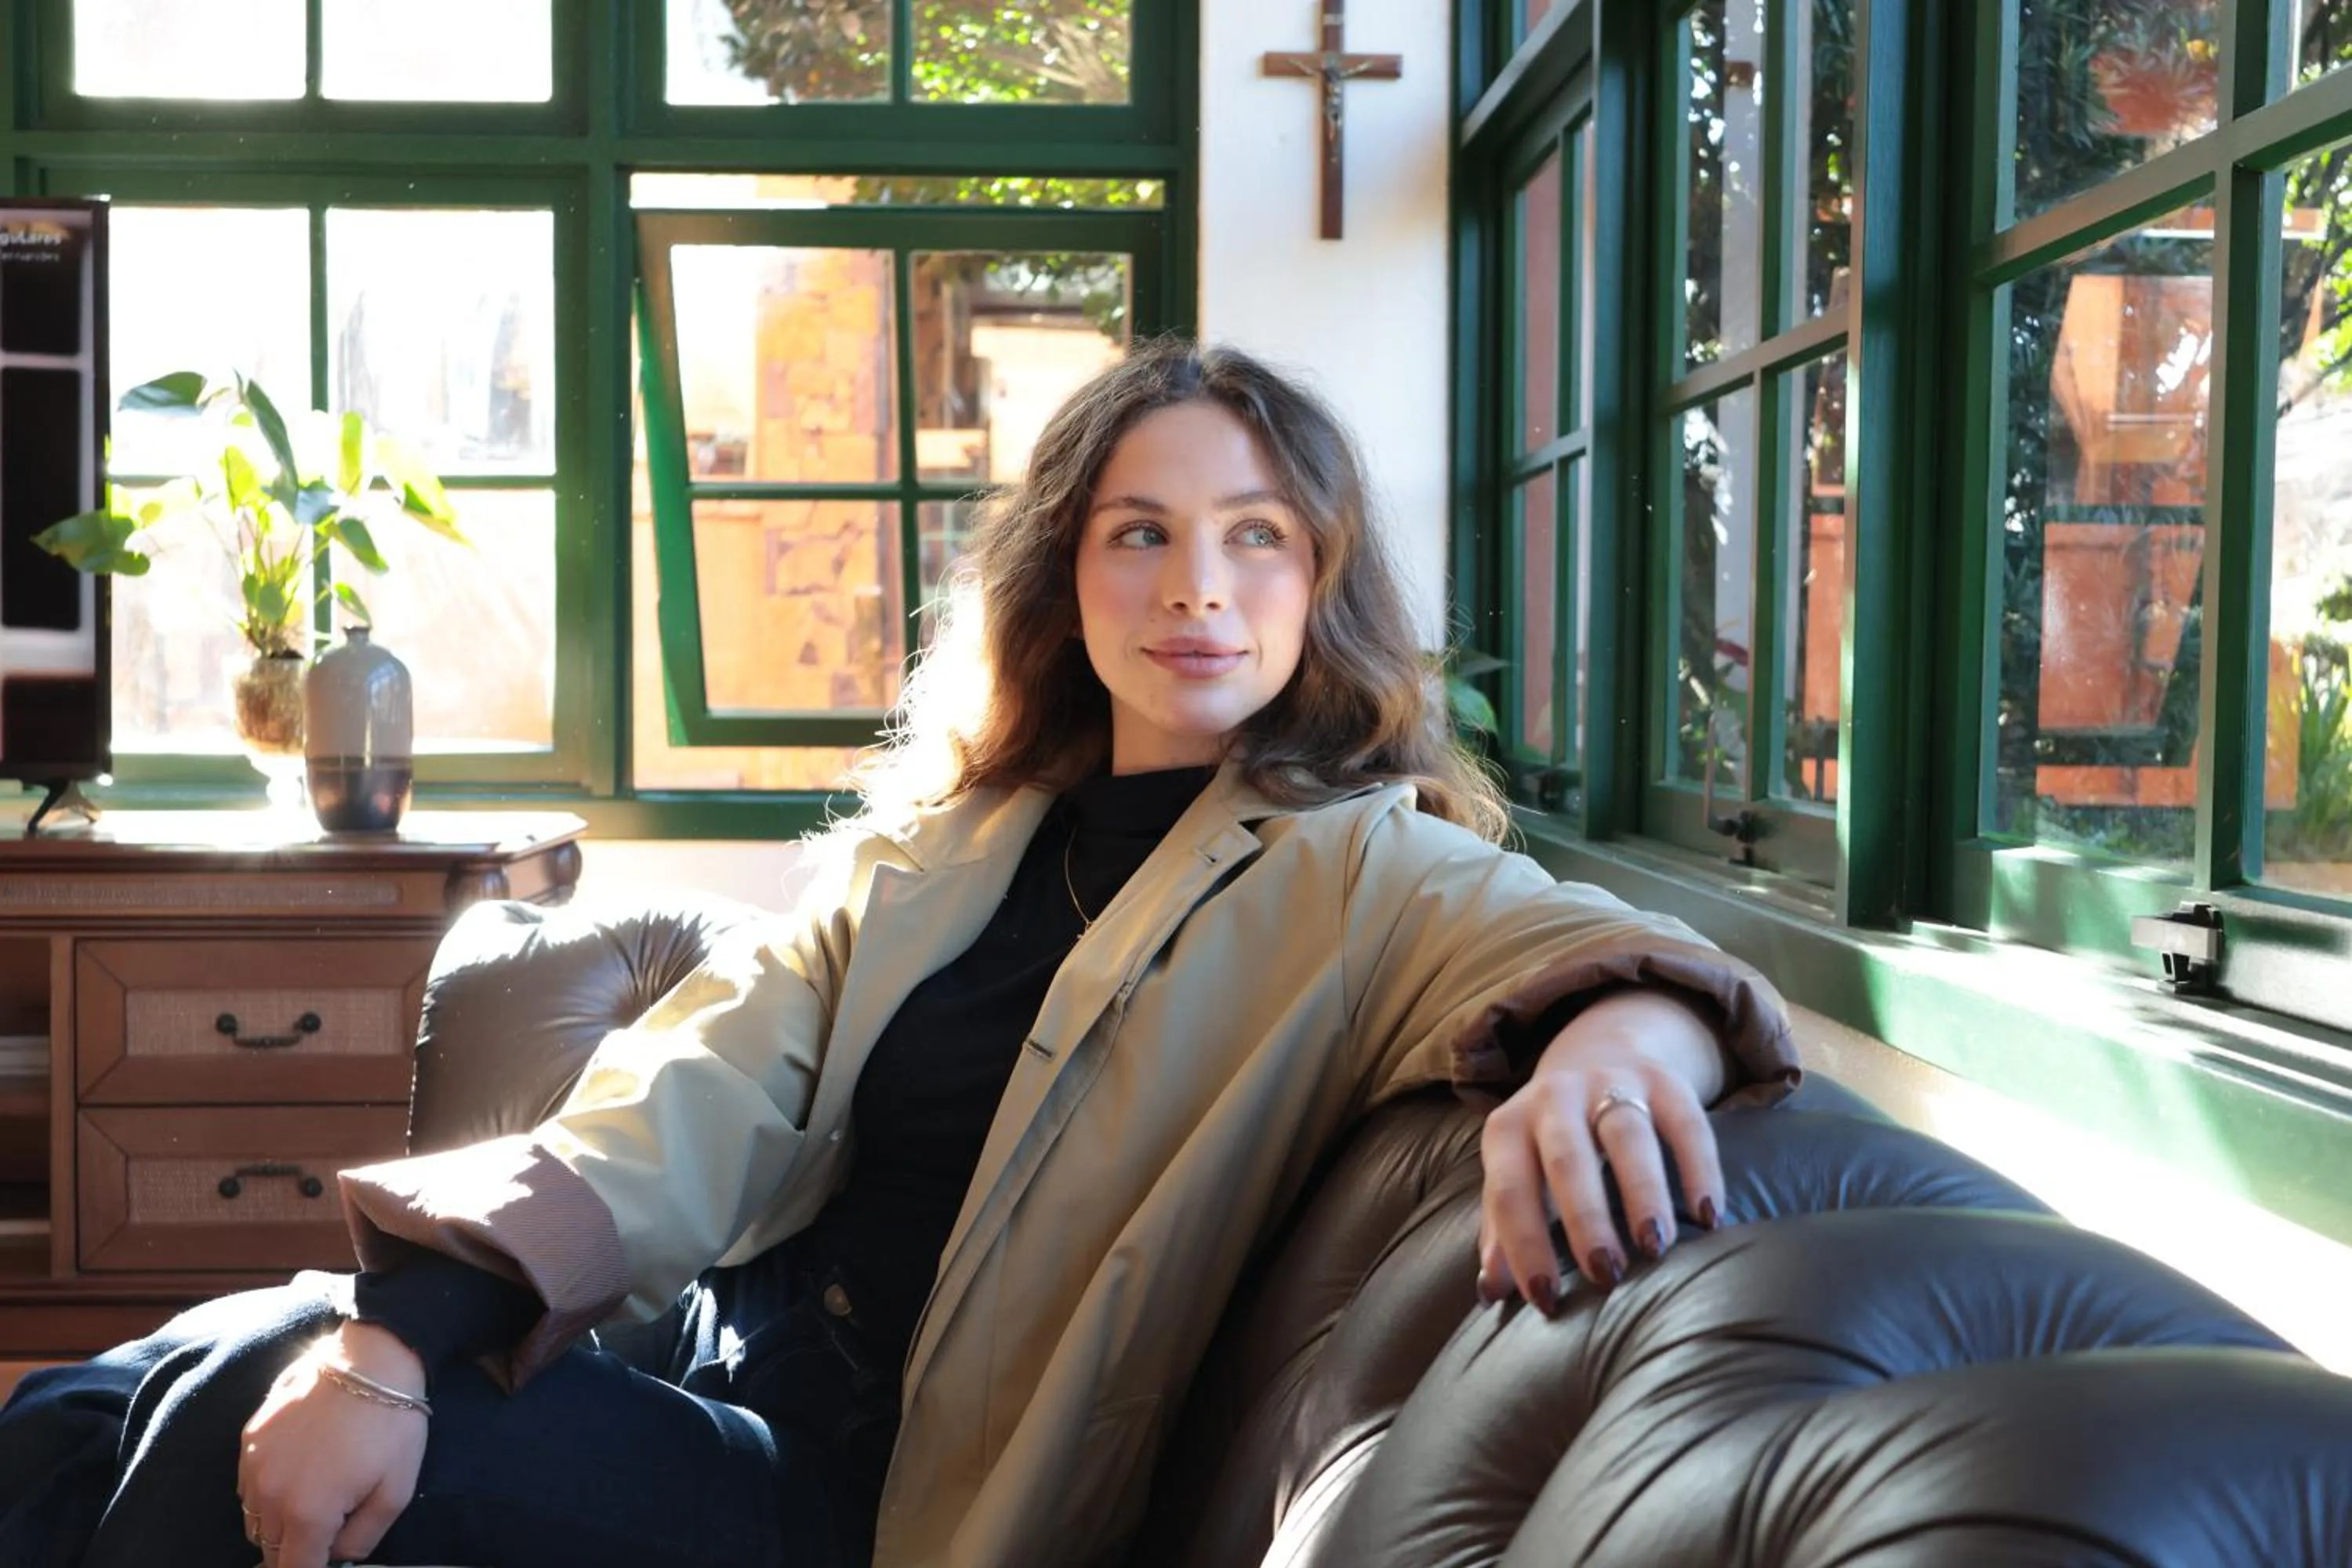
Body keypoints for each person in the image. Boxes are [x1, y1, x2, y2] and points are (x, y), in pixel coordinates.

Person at [0, 338, 1798, 1568]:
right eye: (1144, 534)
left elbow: (1607, 947)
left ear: (1317, 583)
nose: (1198, 587)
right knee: (175, 1369)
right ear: (1068, 577)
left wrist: (1622, 1048)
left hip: (875, 1494)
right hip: (711, 1355)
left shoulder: (1369, 868)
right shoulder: (948, 847)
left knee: (265, 1376)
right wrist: (405, 1337)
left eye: (1258, 539)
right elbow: (694, 1084)